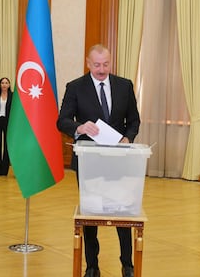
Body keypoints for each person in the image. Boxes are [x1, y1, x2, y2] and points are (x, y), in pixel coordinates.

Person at [57, 44, 140, 277]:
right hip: (89, 161)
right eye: (96, 65)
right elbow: (62, 120)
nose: (102, 70)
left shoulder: (124, 86)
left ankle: (127, 264)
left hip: (119, 159)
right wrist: (79, 127)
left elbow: (134, 120)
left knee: (122, 211)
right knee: (91, 213)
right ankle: (92, 266)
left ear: (110, 62)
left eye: (105, 64)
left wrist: (128, 137)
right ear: (87, 62)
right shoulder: (75, 87)